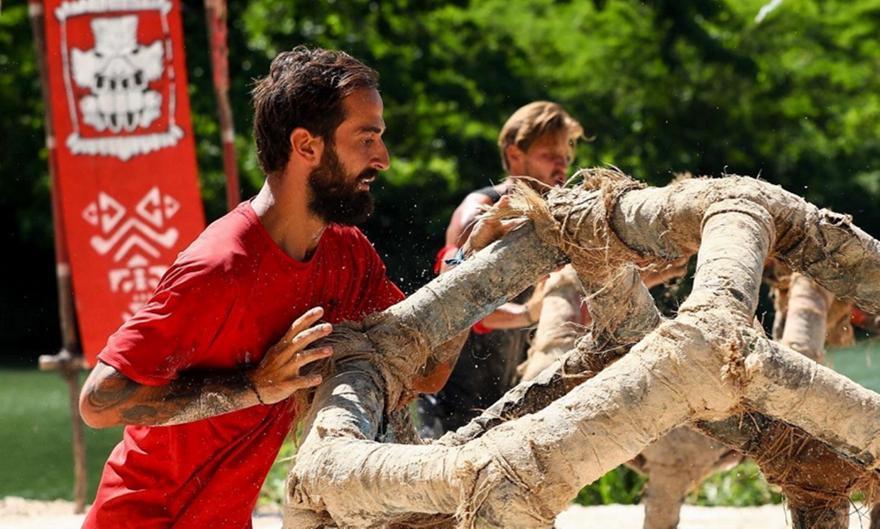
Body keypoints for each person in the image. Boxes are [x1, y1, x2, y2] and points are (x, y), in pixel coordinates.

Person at [78, 46, 469, 529]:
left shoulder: (347, 254)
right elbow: (99, 402)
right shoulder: (219, 266)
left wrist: (469, 268)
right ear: (306, 145)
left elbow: (423, 372)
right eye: (367, 139)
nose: (383, 159)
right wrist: (254, 387)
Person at [418, 101, 585, 436]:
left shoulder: (555, 225)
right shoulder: (478, 213)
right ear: (514, 156)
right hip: (450, 402)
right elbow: (456, 302)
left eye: (566, 157)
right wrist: (528, 314)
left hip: (508, 398)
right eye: (549, 154)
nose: (561, 166)